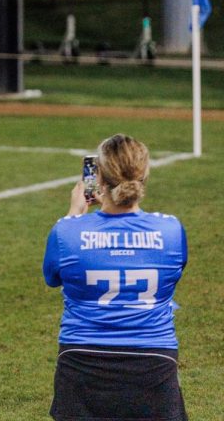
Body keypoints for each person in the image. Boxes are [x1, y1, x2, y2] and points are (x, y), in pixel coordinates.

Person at [43, 134, 188, 421]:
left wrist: (74, 214)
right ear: (144, 174)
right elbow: (174, 275)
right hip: (153, 363)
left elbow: (52, 277)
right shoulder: (171, 230)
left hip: (81, 361)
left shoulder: (67, 232)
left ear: (98, 177)